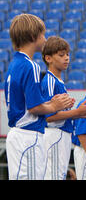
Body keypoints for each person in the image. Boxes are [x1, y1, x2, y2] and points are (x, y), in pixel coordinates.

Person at [4, 14, 74, 180]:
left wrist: (50, 103)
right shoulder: (31, 66)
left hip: (19, 135)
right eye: (43, 34)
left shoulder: (15, 63)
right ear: (33, 36)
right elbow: (34, 107)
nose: (45, 38)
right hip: (28, 135)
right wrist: (54, 106)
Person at [41, 36, 86, 180]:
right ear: (48, 58)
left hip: (63, 135)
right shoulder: (49, 81)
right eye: (61, 55)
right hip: (55, 134)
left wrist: (77, 114)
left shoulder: (59, 82)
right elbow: (48, 117)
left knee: (59, 175)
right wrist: (77, 112)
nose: (66, 58)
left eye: (67, 54)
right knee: (54, 176)